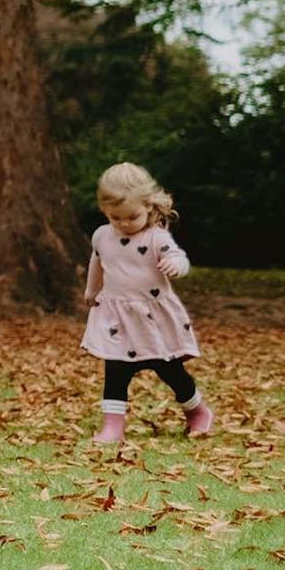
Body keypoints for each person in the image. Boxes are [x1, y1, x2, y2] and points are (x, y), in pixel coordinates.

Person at [83, 162, 211, 444]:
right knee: (115, 369)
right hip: (117, 315)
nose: (124, 223)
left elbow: (178, 256)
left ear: (149, 207)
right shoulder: (102, 235)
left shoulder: (155, 237)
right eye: (116, 217)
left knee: (169, 369)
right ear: (104, 210)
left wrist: (176, 265)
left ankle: (198, 411)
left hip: (151, 318)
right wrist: (92, 290)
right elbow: (97, 262)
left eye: (132, 216)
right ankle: (113, 426)